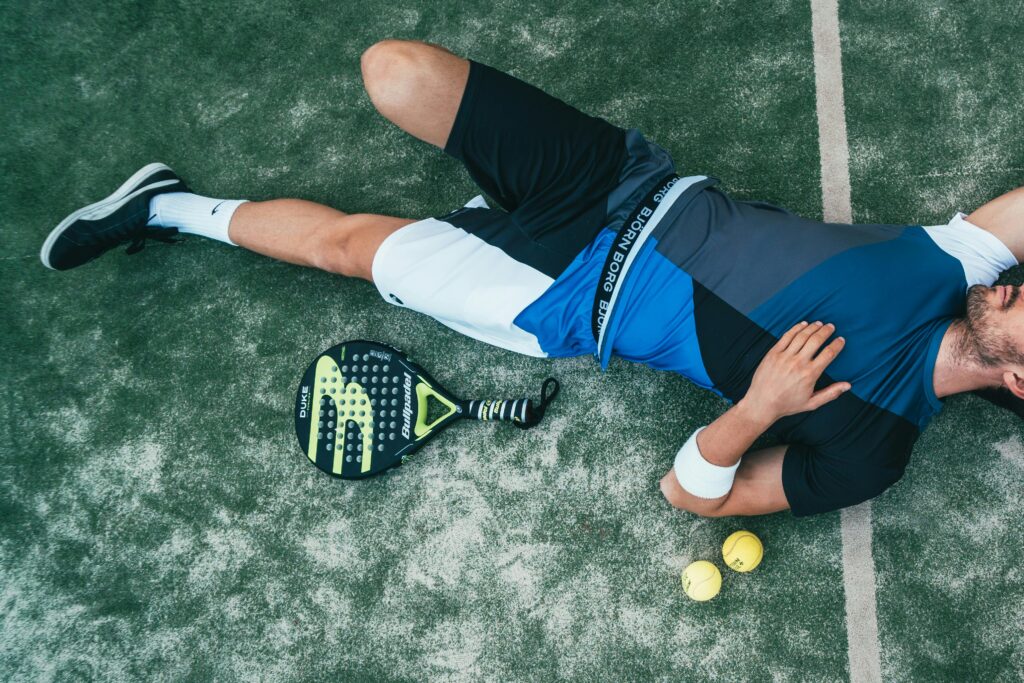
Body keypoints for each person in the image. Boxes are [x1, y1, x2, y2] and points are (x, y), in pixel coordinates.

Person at [40, 40, 1024, 517]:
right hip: (616, 181)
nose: (1022, 281)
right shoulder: (964, 263)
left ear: (1017, 379)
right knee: (394, 71)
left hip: (550, 300)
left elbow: (692, 497)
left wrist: (757, 405)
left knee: (342, 247)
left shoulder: (873, 447)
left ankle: (162, 207)